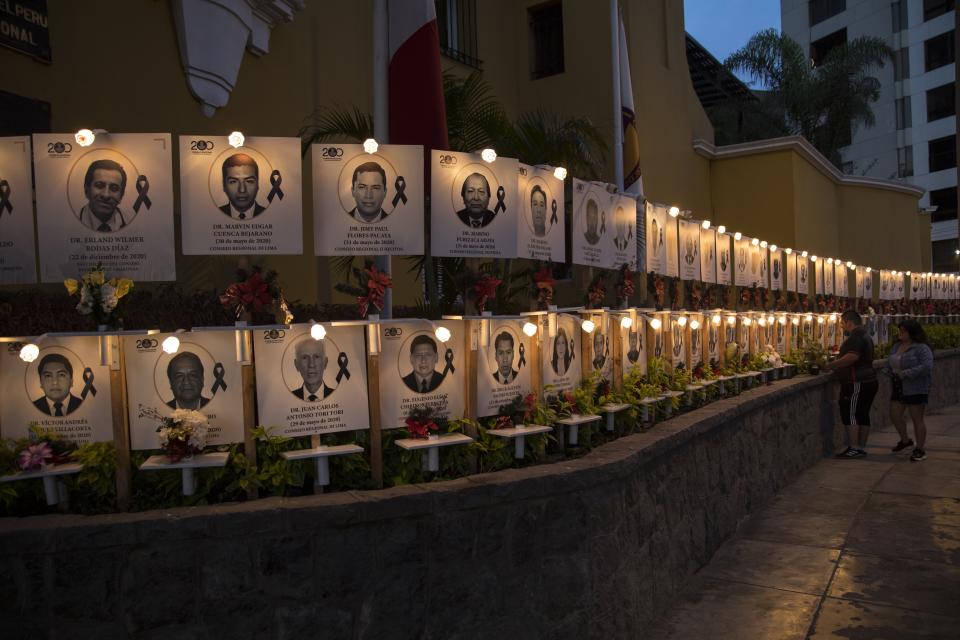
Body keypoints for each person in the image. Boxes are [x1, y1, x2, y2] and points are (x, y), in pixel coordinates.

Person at [823, 310, 878, 459]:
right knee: (862, 414)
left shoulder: (856, 337)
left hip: (857, 381)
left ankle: (854, 448)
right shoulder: (865, 335)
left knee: (851, 413)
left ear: (849, 322)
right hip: (869, 380)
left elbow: (852, 357)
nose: (842, 327)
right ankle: (860, 447)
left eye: (842, 323)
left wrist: (832, 365)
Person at [884, 320, 934, 462]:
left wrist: (906, 373)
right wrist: (888, 370)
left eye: (903, 331)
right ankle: (905, 440)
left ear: (912, 333)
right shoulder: (897, 346)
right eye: (900, 330)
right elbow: (891, 362)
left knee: (917, 418)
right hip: (898, 385)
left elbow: (926, 366)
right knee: (894, 415)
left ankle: (920, 449)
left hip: (915, 387)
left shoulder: (921, 348)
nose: (900, 333)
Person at [79, 159, 129, 232]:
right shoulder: (68, 224)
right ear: (87, 190)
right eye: (99, 185)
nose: (106, 195)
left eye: (114, 188)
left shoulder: (134, 225)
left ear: (121, 195)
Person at [219, 153, 265, 220]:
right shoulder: (212, 216)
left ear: (257, 184)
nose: (242, 190)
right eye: (233, 182)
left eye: (249, 181)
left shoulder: (272, 216)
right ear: (224, 185)